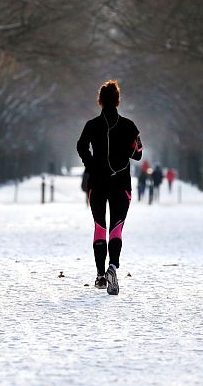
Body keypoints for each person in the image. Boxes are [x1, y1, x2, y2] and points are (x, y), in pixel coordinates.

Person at [77, 80, 143, 295]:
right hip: (121, 183)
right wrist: (125, 150)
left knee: (100, 227)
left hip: (97, 182)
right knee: (116, 227)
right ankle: (112, 267)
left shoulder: (91, 125)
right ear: (118, 101)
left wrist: (91, 164)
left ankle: (100, 275)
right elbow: (138, 154)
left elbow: (81, 146)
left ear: (100, 101)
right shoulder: (129, 126)